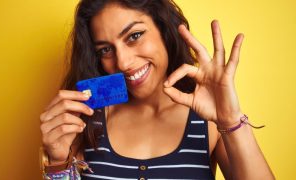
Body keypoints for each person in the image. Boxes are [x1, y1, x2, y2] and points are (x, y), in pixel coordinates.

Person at [39, 0, 275, 179]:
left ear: (164, 30)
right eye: (105, 50)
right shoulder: (86, 122)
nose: (122, 62)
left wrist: (231, 119)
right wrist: (58, 162)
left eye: (135, 36)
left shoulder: (209, 121)